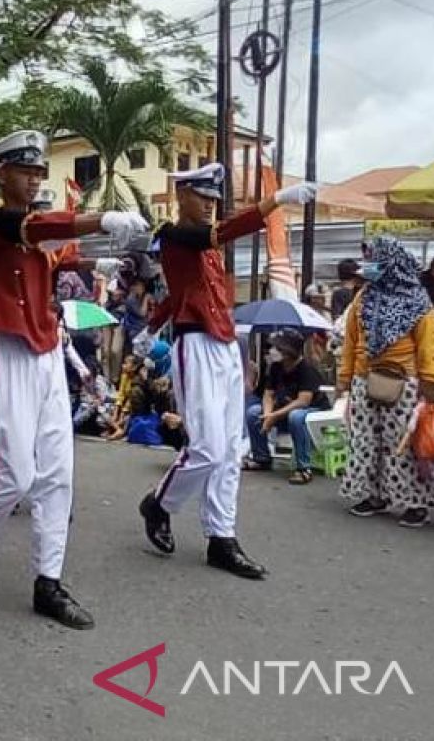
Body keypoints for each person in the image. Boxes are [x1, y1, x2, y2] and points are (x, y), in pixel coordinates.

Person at [0, 128, 148, 629]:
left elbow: (54, 249)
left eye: (39, 171)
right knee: (12, 474)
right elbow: (35, 232)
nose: (34, 178)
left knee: (58, 473)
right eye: (25, 170)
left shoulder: (37, 226)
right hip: (10, 350)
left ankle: (48, 580)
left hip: (45, 349)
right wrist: (100, 219)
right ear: (1, 173)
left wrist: (94, 258)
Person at [137, 163, 315, 579]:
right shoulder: (175, 235)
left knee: (232, 450)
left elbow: (183, 292)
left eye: (215, 199)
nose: (210, 206)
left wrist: (239, 355)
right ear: (182, 196)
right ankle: (159, 503)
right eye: (203, 197)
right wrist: (275, 201)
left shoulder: (206, 247)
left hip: (222, 343)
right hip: (195, 344)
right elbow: (219, 237)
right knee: (206, 448)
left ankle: (222, 537)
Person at [338, 236, 434, 528]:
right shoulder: (363, 298)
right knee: (366, 441)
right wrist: (345, 378)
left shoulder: (418, 302)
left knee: (402, 444)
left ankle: (415, 503)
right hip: (363, 379)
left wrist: (430, 381)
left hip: (404, 381)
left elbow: (427, 345)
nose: (368, 266)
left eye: (374, 259)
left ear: (391, 262)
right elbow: (351, 340)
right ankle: (375, 496)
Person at [243, 328, 331, 484]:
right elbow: (268, 394)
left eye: (278, 348)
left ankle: (304, 468)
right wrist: (267, 414)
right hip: (284, 410)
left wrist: (274, 416)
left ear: (289, 351)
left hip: (311, 413)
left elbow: (303, 401)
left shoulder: (307, 369)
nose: (273, 351)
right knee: (253, 413)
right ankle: (261, 458)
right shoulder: (276, 368)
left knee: (296, 416)